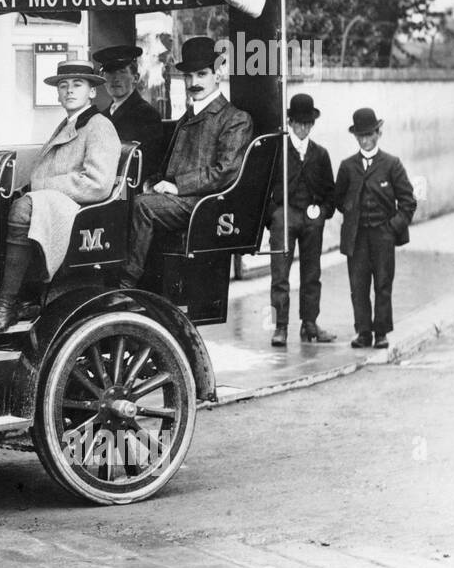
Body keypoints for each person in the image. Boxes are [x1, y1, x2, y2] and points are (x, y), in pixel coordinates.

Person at [0, 59, 120, 333]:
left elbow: (98, 183)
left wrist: (43, 188)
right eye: (63, 86)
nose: (69, 91)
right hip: (57, 204)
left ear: (92, 92)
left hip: (79, 210)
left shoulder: (99, 126)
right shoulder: (70, 123)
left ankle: (6, 306)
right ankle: (20, 297)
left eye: (78, 85)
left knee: (22, 208)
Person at [119, 36, 254, 288]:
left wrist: (177, 186)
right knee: (126, 200)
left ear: (218, 73)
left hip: (204, 204)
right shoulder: (188, 116)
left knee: (142, 207)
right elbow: (169, 164)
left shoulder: (235, 119)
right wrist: (153, 183)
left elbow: (225, 172)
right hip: (177, 200)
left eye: (201, 74)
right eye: (189, 76)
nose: (194, 83)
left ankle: (125, 284)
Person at [334, 107, 416, 351]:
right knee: (358, 285)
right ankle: (363, 332)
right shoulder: (347, 166)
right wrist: (351, 210)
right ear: (355, 137)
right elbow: (338, 199)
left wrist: (393, 228)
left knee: (383, 283)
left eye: (369, 134)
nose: (365, 140)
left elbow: (408, 201)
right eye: (360, 135)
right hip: (356, 237)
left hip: (382, 234)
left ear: (378, 133)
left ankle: (381, 332)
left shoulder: (391, 164)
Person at [268, 93, 337, 347]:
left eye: (308, 123)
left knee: (312, 273)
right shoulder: (278, 151)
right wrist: (273, 215)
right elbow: (263, 189)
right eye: (298, 123)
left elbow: (331, 192)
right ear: (290, 122)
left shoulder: (320, 154)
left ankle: (309, 323)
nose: (303, 128)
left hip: (311, 218)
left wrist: (322, 214)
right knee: (279, 275)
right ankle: (280, 326)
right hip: (284, 216)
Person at [92, 43, 165, 179]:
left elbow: (148, 165)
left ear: (135, 78)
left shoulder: (147, 115)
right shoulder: (102, 117)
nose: (115, 78)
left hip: (127, 188)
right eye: (110, 72)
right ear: (103, 79)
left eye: (122, 71)